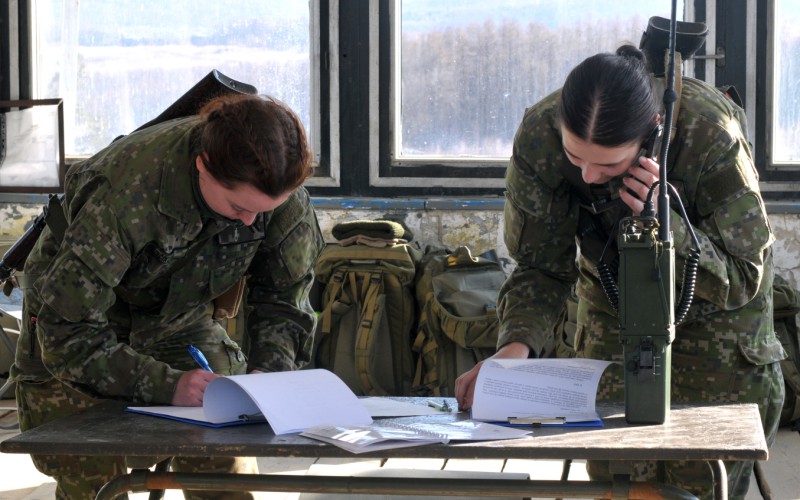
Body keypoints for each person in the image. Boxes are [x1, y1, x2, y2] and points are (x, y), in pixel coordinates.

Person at [455, 45, 785, 499]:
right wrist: (514, 349)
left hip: (719, 338)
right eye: (576, 158)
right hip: (614, 321)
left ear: (652, 135)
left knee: (700, 487)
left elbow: (744, 276)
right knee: (618, 484)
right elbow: (539, 266)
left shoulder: (710, 133)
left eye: (608, 163)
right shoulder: (540, 135)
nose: (589, 176)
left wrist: (671, 227)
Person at [10, 93, 325, 499]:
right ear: (203, 165)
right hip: (76, 324)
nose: (251, 221)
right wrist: (166, 385)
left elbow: (285, 300)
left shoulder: (280, 193)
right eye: (237, 207)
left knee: (225, 465)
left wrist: (271, 373)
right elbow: (67, 335)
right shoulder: (124, 192)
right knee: (89, 472)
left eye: (264, 212)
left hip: (179, 320)